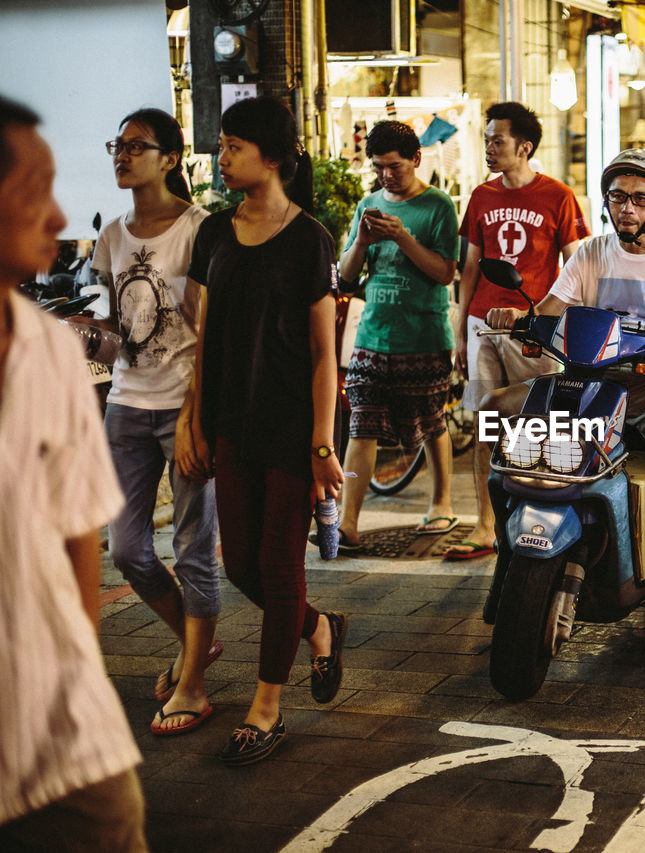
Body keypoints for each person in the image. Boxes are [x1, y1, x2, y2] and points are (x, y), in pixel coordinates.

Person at [178, 96, 347, 765]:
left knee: (278, 565)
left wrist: (323, 442)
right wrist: (193, 418)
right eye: (221, 146)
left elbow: (323, 351)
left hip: (290, 424)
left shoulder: (311, 238)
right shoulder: (214, 234)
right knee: (239, 561)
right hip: (229, 418)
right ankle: (318, 625)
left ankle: (266, 706)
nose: (222, 157)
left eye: (232, 146)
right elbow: (203, 337)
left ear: (270, 155)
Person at [0, 96, 146, 852]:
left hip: (63, 724)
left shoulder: (55, 352)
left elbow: (74, 537)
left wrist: (83, 683)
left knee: (116, 826)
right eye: (33, 192)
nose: (56, 215)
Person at [485, 149, 645, 584]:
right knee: (493, 407)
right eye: (617, 198)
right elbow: (549, 310)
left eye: (639, 199)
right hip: (589, 378)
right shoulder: (590, 253)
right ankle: (507, 514)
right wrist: (517, 319)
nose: (627, 208)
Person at [75, 109, 223, 736]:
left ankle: (193, 684)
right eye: (118, 145)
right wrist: (86, 336)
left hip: (185, 405)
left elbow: (210, 333)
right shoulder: (112, 235)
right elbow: (119, 338)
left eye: (138, 147)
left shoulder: (201, 231)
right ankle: (193, 644)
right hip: (128, 405)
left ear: (170, 159)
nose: (123, 156)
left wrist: (199, 415)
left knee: (193, 549)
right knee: (129, 549)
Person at [453, 102, 588, 561]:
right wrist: (459, 328)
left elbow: (577, 265)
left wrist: (562, 325)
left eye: (497, 140)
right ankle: (484, 523)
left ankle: (539, 508)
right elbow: (468, 267)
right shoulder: (480, 196)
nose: (489, 148)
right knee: (485, 422)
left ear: (524, 147)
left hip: (534, 329)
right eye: (486, 139)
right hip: (481, 325)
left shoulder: (558, 196)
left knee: (538, 417)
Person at [335, 119, 460, 550]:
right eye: (380, 167)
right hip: (373, 336)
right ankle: (348, 522)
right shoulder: (367, 204)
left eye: (395, 166)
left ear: (416, 159)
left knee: (430, 422)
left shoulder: (438, 206)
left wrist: (403, 236)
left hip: (423, 336)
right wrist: (363, 243)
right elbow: (346, 278)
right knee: (361, 426)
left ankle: (442, 502)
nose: (387, 175)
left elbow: (445, 272)